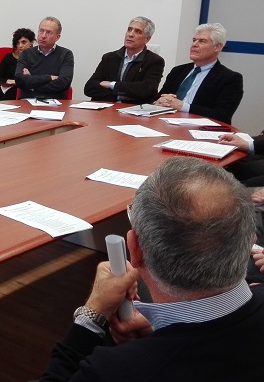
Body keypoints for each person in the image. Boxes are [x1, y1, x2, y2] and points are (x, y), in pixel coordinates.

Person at [39, 156, 264, 381]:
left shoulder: (115, 370)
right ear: (249, 242)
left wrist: (92, 313)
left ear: (135, 250)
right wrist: (157, 330)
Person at [153, 23, 243, 124]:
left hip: (198, 128)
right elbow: (159, 97)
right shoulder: (178, 71)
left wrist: (183, 106)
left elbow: (222, 115)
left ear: (217, 47)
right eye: (194, 40)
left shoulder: (230, 78)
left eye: (202, 41)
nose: (194, 44)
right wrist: (158, 102)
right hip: (165, 122)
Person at [83, 17, 165, 104]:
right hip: (107, 109)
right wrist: (120, 95)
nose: (130, 34)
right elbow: (89, 88)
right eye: (129, 30)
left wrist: (111, 85)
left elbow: (145, 90)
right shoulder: (109, 58)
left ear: (147, 39)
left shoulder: (154, 61)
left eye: (137, 31)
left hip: (134, 110)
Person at [15, 16, 74, 99]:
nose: (43, 36)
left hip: (56, 102)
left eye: (49, 32)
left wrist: (31, 86)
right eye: (41, 31)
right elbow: (19, 80)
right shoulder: (26, 53)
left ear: (57, 37)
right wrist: (49, 78)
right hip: (28, 101)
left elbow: (63, 83)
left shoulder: (66, 54)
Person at [0, 28, 36, 101]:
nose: (20, 46)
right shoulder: (8, 57)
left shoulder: (36, 59)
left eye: (23, 42)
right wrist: (9, 81)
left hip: (26, 90)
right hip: (7, 88)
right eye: (17, 43)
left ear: (31, 43)